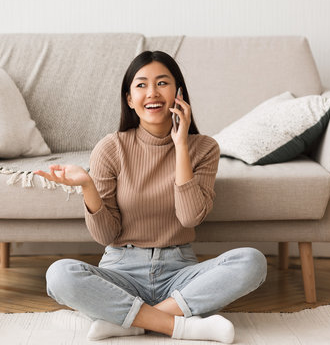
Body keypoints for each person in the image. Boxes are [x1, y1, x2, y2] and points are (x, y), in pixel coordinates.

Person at [34, 51, 267, 343]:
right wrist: (88, 187)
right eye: (141, 85)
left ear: (178, 92)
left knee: (252, 262)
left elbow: (190, 217)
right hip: (121, 271)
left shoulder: (204, 148)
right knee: (59, 275)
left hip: (179, 273)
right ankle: (180, 326)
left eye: (162, 83)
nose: (152, 93)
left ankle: (129, 321)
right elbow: (106, 234)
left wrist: (180, 146)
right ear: (130, 99)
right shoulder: (111, 147)